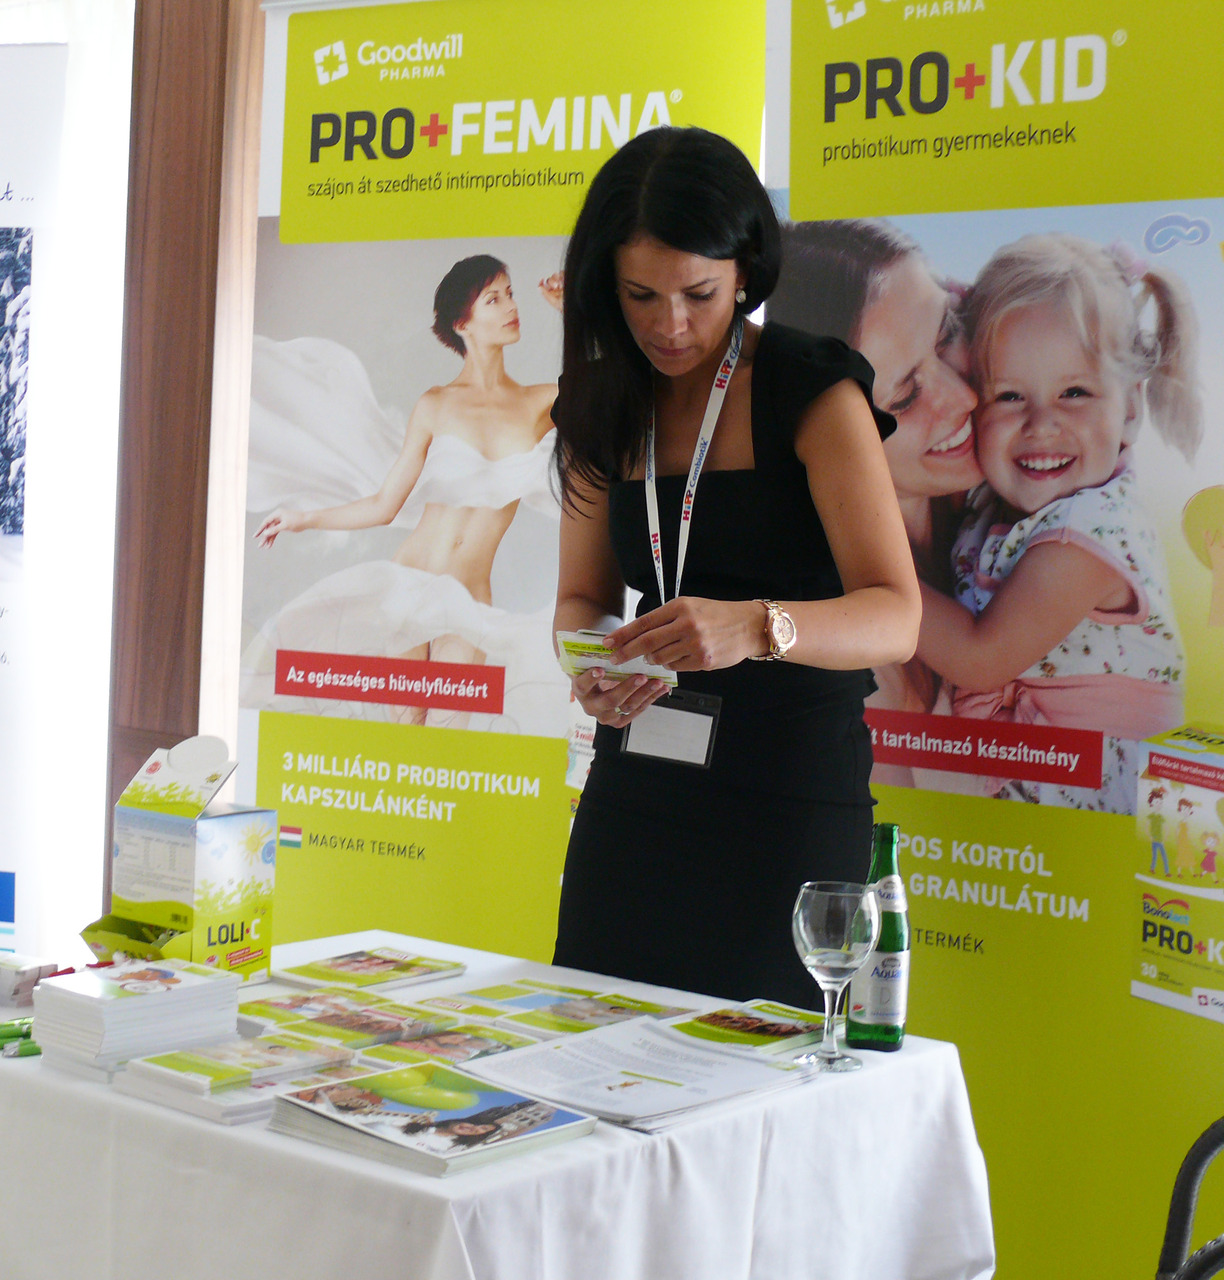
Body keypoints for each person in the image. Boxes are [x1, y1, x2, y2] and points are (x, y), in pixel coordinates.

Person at [550, 128, 920, 1006]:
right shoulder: (601, 401)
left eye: (699, 294)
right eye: (641, 295)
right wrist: (592, 660)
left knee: (771, 1061)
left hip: (789, 793)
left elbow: (897, 615)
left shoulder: (812, 391)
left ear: (746, 272)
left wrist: (757, 626)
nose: (669, 325)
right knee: (594, 1039)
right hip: (637, 783)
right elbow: (582, 595)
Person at [913, 234, 1201, 812]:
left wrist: (866, 578)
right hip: (1023, 799)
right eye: (1009, 396)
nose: (1041, 424)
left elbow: (981, 658)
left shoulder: (1090, 534)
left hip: (1096, 813)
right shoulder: (995, 503)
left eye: (1074, 392)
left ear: (1130, 406)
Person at [246, 255, 560, 730]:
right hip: (409, 581)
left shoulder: (541, 403)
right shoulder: (434, 405)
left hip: (470, 596)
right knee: (405, 724)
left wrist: (571, 310)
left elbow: (608, 386)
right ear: (463, 324)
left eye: (511, 294)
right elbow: (383, 505)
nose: (511, 306)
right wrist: (302, 518)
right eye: (493, 299)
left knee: (447, 735)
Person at [770, 220, 980, 719]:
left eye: (949, 333)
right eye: (906, 396)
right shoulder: (860, 665)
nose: (964, 397)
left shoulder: (1018, 500)